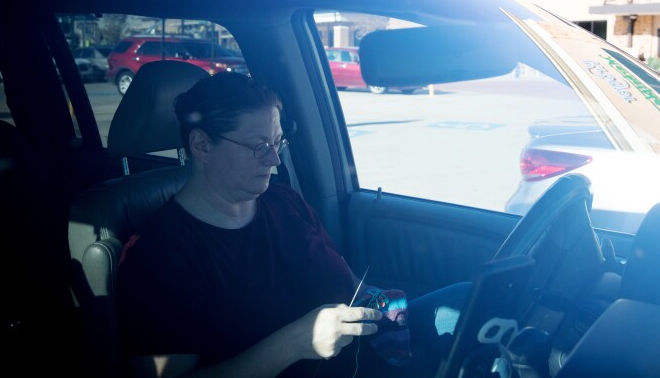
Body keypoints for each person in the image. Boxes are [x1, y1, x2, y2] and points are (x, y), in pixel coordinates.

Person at [117, 72, 467, 378]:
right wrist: (294, 343)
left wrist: (378, 305)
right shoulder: (158, 257)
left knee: (471, 303)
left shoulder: (285, 203)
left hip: (366, 358)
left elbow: (347, 280)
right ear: (202, 145)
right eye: (259, 147)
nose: (274, 159)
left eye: (278, 142)